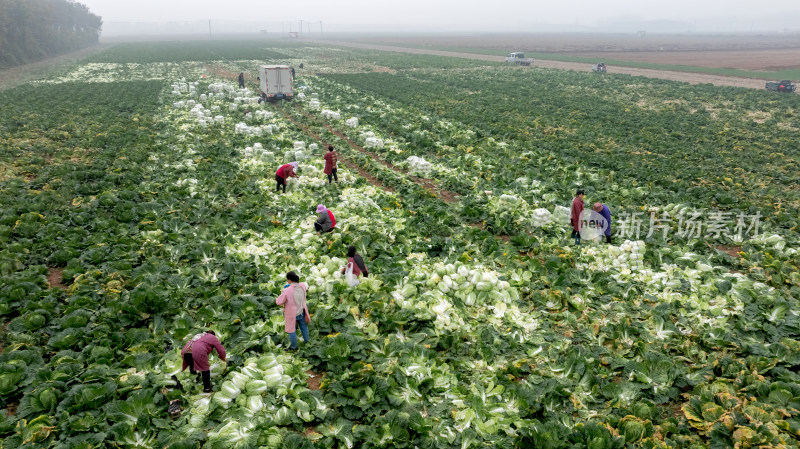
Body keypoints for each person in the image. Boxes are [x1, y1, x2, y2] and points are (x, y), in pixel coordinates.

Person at [275, 271, 311, 350]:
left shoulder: (287, 291)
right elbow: (300, 284)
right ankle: (307, 342)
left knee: (291, 330)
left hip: (292, 314)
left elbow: (279, 302)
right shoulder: (303, 286)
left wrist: (284, 290)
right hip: (301, 311)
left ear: (289, 280)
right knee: (304, 327)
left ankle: (294, 347)